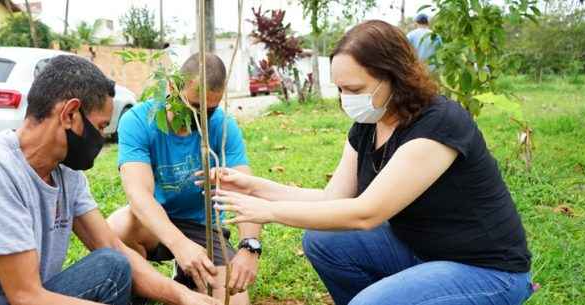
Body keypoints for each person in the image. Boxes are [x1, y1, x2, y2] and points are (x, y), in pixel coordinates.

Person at [207, 20, 534, 305]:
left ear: (395, 77)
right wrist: (257, 187)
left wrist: (270, 213)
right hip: (422, 251)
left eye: (354, 88)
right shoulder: (368, 125)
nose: (345, 98)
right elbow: (332, 199)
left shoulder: (438, 124)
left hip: (486, 270)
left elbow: (366, 213)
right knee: (323, 241)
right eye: (340, 88)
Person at [0, 55, 218, 305]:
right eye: (99, 126)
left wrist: (183, 296)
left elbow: (111, 244)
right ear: (70, 114)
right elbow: (26, 296)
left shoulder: (66, 172)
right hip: (18, 299)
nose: (101, 138)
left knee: (112, 265)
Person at [108, 53, 260, 305]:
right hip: (155, 222)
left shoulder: (222, 126)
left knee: (233, 302)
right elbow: (138, 195)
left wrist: (250, 246)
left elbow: (246, 190)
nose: (201, 116)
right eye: (193, 105)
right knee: (118, 227)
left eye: (210, 109)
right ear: (172, 86)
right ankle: (141, 289)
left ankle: (188, 275)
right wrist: (180, 245)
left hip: (204, 228)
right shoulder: (138, 121)